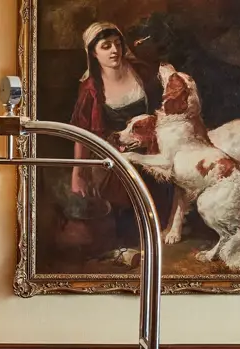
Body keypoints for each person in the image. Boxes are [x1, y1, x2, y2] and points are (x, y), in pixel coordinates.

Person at [69, 20, 172, 245]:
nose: (114, 50)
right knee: (126, 216)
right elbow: (81, 131)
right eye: (106, 46)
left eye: (117, 43)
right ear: (93, 53)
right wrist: (78, 174)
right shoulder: (91, 89)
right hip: (117, 156)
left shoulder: (142, 71)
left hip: (152, 148)